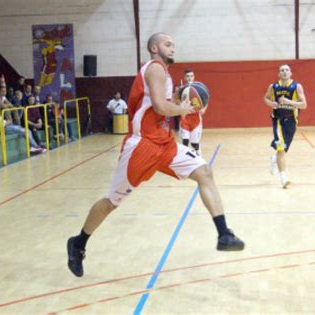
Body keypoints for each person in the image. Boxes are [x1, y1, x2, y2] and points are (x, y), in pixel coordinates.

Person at [66, 33, 244, 277]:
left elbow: (159, 104)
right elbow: (160, 107)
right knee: (111, 202)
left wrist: (183, 97)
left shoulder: (164, 74)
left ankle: (224, 234)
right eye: (167, 44)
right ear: (154, 47)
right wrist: (181, 109)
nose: (173, 47)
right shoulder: (155, 68)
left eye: (173, 44)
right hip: (142, 146)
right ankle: (78, 243)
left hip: (164, 144)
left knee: (204, 172)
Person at [263, 64, 307, 188]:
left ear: (290, 73)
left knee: (283, 148)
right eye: (282, 70)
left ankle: (274, 158)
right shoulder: (273, 87)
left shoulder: (296, 87)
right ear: (278, 74)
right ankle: (283, 178)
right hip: (277, 120)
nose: (284, 72)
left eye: (287, 70)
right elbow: (265, 98)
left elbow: (304, 105)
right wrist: (271, 103)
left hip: (292, 121)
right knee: (281, 147)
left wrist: (289, 102)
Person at [179, 68, 207, 156]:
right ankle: (186, 159)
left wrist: (204, 109)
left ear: (194, 77)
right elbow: (176, 101)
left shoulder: (198, 89)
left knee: (195, 144)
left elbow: (206, 99)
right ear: (184, 78)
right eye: (187, 76)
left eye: (191, 76)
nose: (189, 78)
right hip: (185, 118)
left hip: (195, 118)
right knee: (185, 142)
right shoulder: (181, 89)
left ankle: (199, 156)